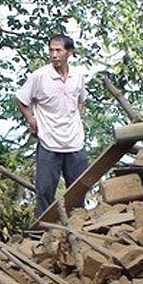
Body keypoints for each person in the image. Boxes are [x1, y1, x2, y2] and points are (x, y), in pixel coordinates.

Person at [16, 33, 89, 217]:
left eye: (58, 50)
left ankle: (78, 226)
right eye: (51, 50)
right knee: (45, 190)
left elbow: (82, 99)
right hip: (49, 141)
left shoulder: (78, 75)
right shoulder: (39, 76)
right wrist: (31, 119)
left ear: (69, 52)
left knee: (79, 188)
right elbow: (21, 99)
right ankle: (43, 231)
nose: (54, 54)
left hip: (74, 141)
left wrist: (76, 115)